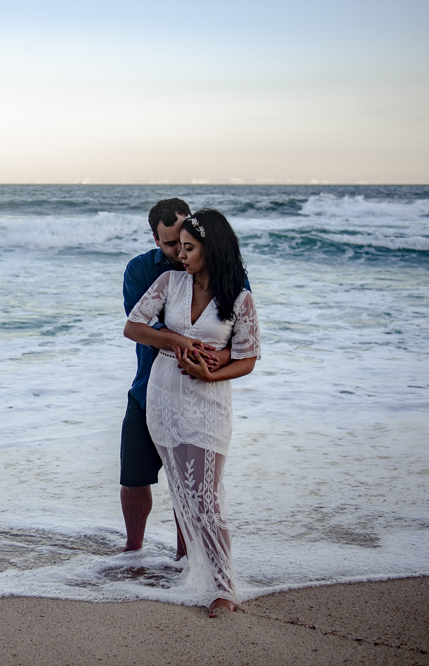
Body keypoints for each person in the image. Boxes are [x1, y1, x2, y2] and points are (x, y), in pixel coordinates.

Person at [123, 208, 260, 617]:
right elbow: (133, 326)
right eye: (178, 247)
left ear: (211, 249)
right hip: (163, 397)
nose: (181, 255)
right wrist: (178, 341)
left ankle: (223, 587)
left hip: (209, 403)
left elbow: (248, 358)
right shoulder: (169, 282)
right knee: (184, 495)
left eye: (189, 248)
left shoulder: (239, 297)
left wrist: (211, 372)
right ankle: (195, 574)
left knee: (207, 499)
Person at [119, 199, 232, 556]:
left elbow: (238, 336)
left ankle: (186, 559)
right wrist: (183, 342)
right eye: (170, 244)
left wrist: (211, 362)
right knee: (134, 478)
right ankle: (133, 552)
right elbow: (142, 328)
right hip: (146, 390)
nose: (178, 252)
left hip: (197, 392)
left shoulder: (224, 272)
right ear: (156, 240)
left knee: (189, 486)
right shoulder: (143, 271)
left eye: (184, 242)